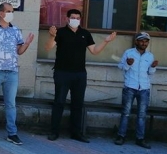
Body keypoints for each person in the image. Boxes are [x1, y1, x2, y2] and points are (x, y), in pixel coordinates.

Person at [45, 9, 116, 143]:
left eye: (78, 18)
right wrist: (51, 36)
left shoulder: (85, 33)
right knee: (59, 102)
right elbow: (48, 47)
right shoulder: (60, 32)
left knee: (78, 104)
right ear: (67, 19)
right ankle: (54, 132)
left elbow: (94, 51)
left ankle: (76, 133)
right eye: (73, 17)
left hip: (80, 74)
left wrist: (106, 41)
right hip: (62, 73)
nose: (75, 20)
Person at [0, 3, 34, 144]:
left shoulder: (15, 30)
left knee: (11, 104)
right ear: (1, 13)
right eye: (8, 11)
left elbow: (19, 51)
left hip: (12, 73)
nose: (11, 14)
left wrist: (27, 44)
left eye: (12, 11)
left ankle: (12, 133)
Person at [114, 32, 158, 149]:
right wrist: (128, 64)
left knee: (142, 115)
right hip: (130, 86)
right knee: (125, 113)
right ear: (136, 41)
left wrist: (153, 67)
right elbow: (121, 67)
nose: (144, 43)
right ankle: (121, 136)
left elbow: (150, 73)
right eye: (142, 41)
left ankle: (140, 138)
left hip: (144, 88)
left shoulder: (150, 56)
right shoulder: (129, 53)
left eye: (146, 41)